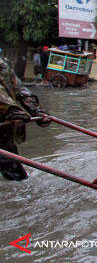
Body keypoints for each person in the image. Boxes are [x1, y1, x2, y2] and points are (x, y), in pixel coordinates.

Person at [0, 49, 51, 181]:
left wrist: (38, 111)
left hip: (5, 128)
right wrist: (13, 111)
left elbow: (20, 90)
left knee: (15, 174)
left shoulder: (3, 67)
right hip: (7, 119)